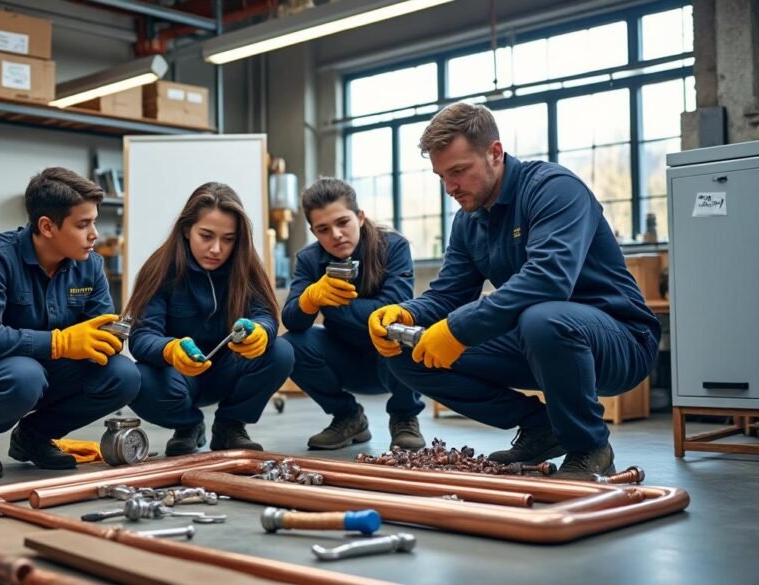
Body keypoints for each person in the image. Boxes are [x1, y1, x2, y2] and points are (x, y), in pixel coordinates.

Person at [369, 103, 660, 480]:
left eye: (458, 171)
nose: (450, 188)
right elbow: (448, 294)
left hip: (619, 341)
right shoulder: (468, 221)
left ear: (495, 152)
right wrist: (407, 314)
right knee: (407, 351)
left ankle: (589, 447)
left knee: (543, 317)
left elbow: (548, 280)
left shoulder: (553, 189)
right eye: (442, 176)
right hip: (537, 339)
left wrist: (457, 329)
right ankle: (542, 427)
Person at [0, 167, 140, 479]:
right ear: (47, 226)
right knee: (24, 375)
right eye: (83, 224)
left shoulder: (90, 265)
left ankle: (33, 437)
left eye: (94, 222)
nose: (94, 234)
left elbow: (97, 333)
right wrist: (58, 343)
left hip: (40, 368)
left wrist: (108, 340)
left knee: (124, 375)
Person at [126, 182, 294, 455]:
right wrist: (169, 350)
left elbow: (265, 315)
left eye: (228, 239)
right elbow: (142, 337)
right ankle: (188, 427)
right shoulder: (159, 270)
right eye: (206, 236)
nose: (216, 248)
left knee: (281, 351)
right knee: (137, 379)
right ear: (186, 229)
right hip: (178, 376)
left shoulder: (246, 267)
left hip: (230, 370)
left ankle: (230, 427)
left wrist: (261, 331)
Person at [281, 178, 425, 450]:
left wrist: (333, 304)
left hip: (393, 362)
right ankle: (348, 417)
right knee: (288, 345)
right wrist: (309, 299)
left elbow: (394, 308)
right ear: (314, 232)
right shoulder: (308, 259)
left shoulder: (393, 246)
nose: (335, 234)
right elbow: (291, 320)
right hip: (345, 359)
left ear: (360, 217)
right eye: (323, 229)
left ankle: (405, 417)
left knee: (399, 330)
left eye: (342, 222)